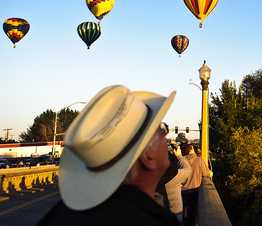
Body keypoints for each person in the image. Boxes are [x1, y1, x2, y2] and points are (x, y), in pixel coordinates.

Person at [37, 85, 179, 226]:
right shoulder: (153, 220)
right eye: (160, 129)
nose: (166, 134)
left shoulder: (56, 216)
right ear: (148, 157)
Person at [181, 144, 211, 226]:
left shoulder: (181, 161)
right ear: (192, 150)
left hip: (182, 192)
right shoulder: (199, 160)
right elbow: (206, 174)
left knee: (183, 214)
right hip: (195, 191)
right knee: (193, 214)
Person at [163, 144, 192, 223]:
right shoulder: (172, 177)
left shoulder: (154, 176)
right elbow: (188, 170)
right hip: (175, 215)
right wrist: (179, 156)